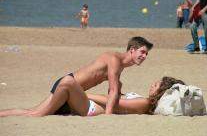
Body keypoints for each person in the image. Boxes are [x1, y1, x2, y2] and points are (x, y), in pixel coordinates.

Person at [0, 37, 153, 117]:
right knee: (36, 114)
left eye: (146, 54)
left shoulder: (119, 68)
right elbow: (112, 90)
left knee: (31, 111)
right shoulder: (114, 59)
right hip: (67, 86)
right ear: (132, 50)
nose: (145, 56)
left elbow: (116, 89)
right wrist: (108, 116)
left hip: (71, 92)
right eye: (142, 52)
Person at [0, 76, 184, 117]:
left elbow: (116, 104)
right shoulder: (143, 100)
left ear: (161, 91)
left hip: (89, 108)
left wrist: (85, 94)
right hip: (86, 104)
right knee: (32, 111)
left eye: (157, 84)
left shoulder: (144, 103)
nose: (153, 83)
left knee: (68, 82)